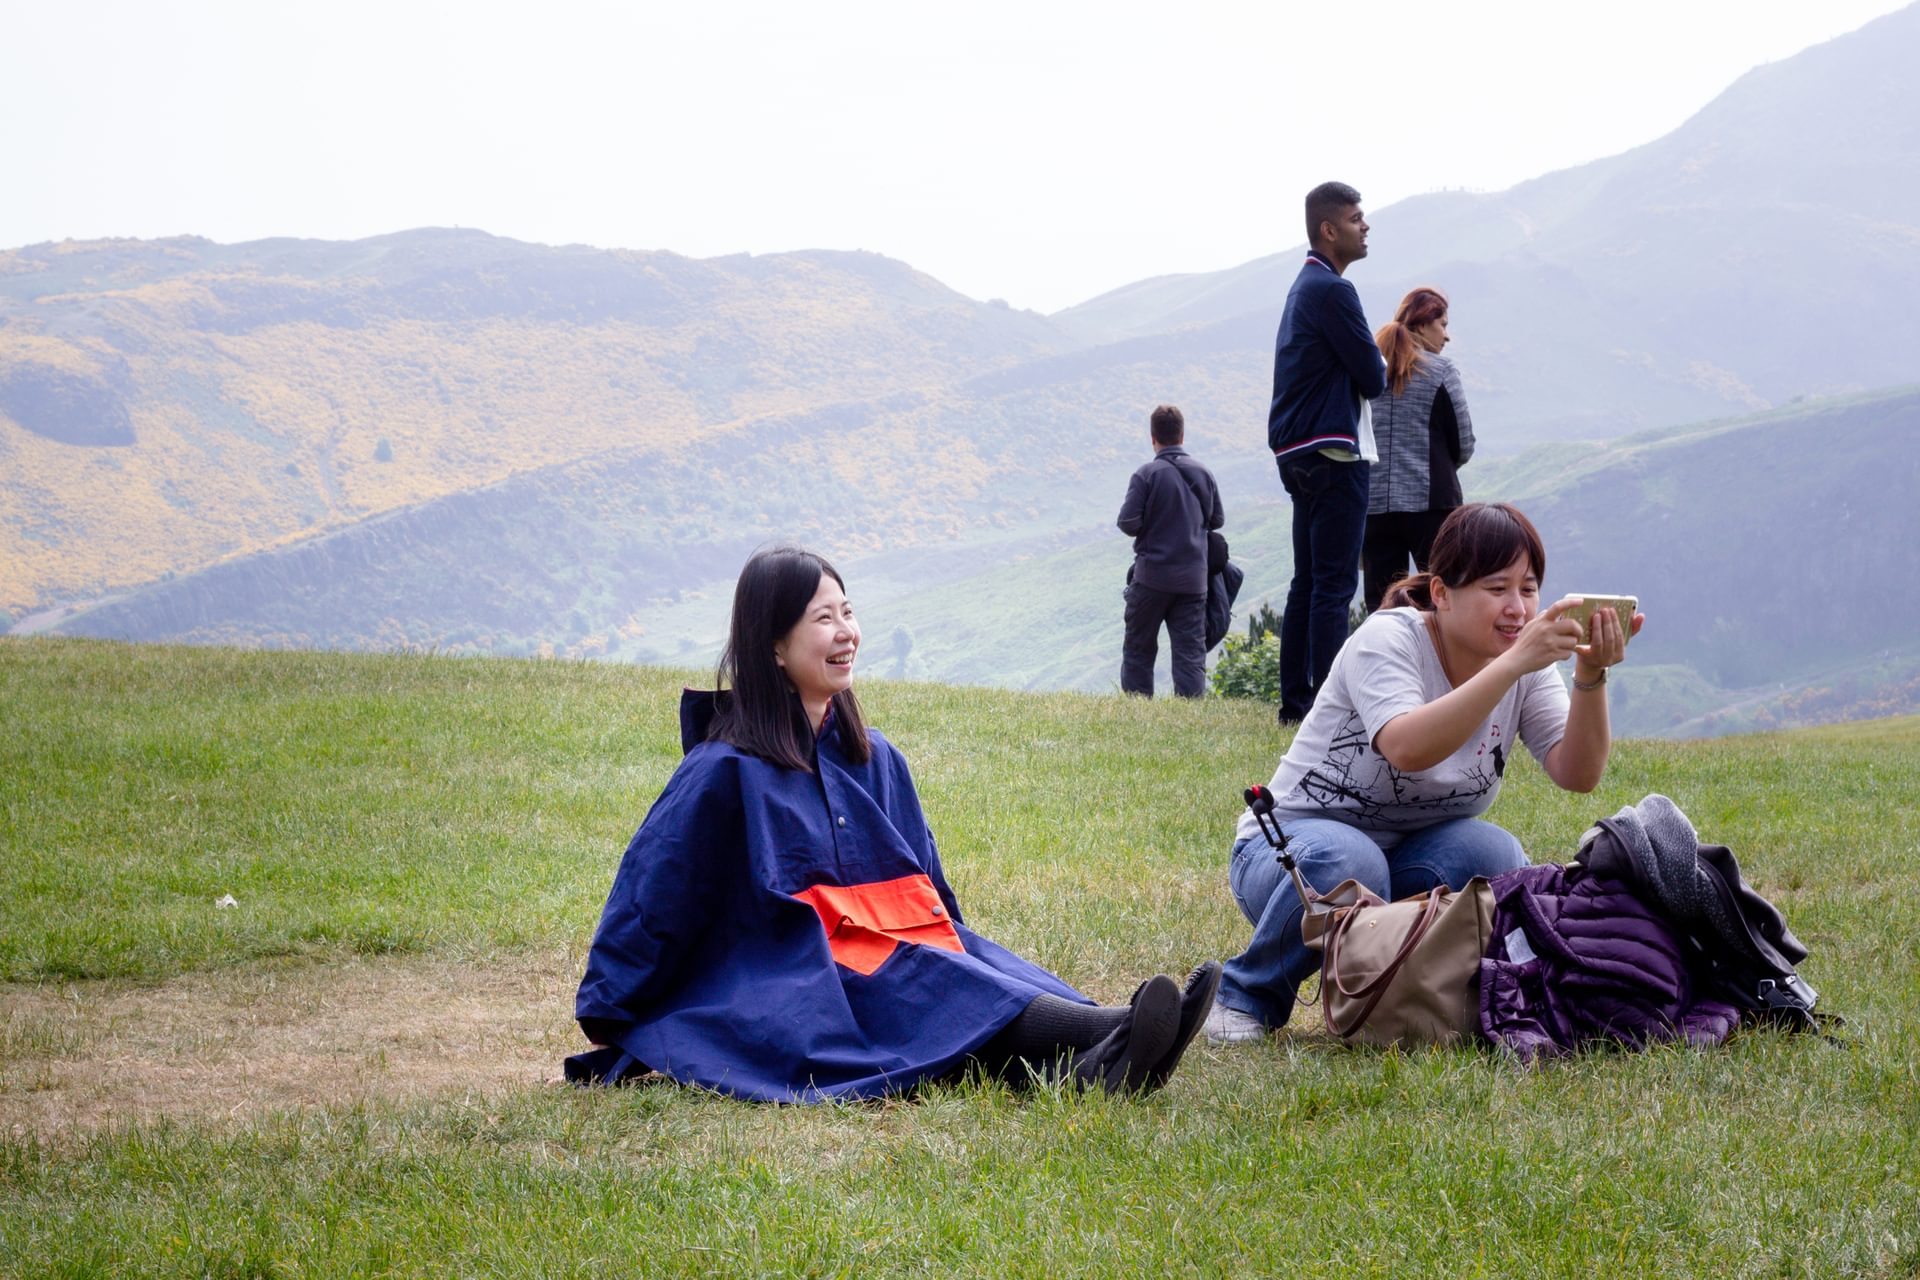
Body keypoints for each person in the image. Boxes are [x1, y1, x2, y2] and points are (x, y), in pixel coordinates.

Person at [571, 546, 1222, 1101]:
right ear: (773, 644)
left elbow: (927, 885)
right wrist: (611, 1008)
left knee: (974, 967)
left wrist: (962, 947)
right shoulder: (724, 769)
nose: (845, 631)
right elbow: (655, 891)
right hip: (799, 974)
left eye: (848, 612)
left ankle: (1114, 1052)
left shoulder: (877, 758)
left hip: (897, 949)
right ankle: (1119, 1034)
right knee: (936, 980)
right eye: (823, 618)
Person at [1202, 503, 1643, 1042]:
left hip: (1404, 865)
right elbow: (1407, 747)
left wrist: (1590, 675)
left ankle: (1442, 989)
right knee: (1353, 860)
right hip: (1293, 860)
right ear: (1441, 593)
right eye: (1496, 588)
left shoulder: (1525, 667)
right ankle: (1245, 997)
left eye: (1528, 589)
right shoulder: (1390, 640)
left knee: (1497, 858)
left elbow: (1578, 772)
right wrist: (1510, 666)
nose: (1518, 609)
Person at [1269, 181, 1388, 724]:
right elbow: (1373, 375)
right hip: (1334, 452)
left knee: (1307, 581)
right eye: (1357, 218)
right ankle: (1329, 709)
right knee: (1335, 586)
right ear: (1329, 229)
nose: (1366, 227)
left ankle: (1296, 701)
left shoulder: (1302, 287)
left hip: (1296, 451)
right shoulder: (1335, 291)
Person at [1363, 286, 1476, 613]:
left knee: (1382, 606)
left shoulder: (1369, 370)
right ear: (1423, 324)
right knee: (1443, 597)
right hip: (1432, 505)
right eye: (1443, 324)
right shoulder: (1441, 371)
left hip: (1375, 507)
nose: (1447, 335)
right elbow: (1464, 442)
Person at [1116, 404, 1225, 698]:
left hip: (1151, 578)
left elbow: (1127, 522)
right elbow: (1217, 520)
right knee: (1190, 653)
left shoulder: (1146, 474)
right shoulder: (1203, 472)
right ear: (1182, 434)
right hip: (1193, 582)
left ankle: (1138, 711)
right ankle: (1189, 711)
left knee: (1139, 647)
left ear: (1153, 437)